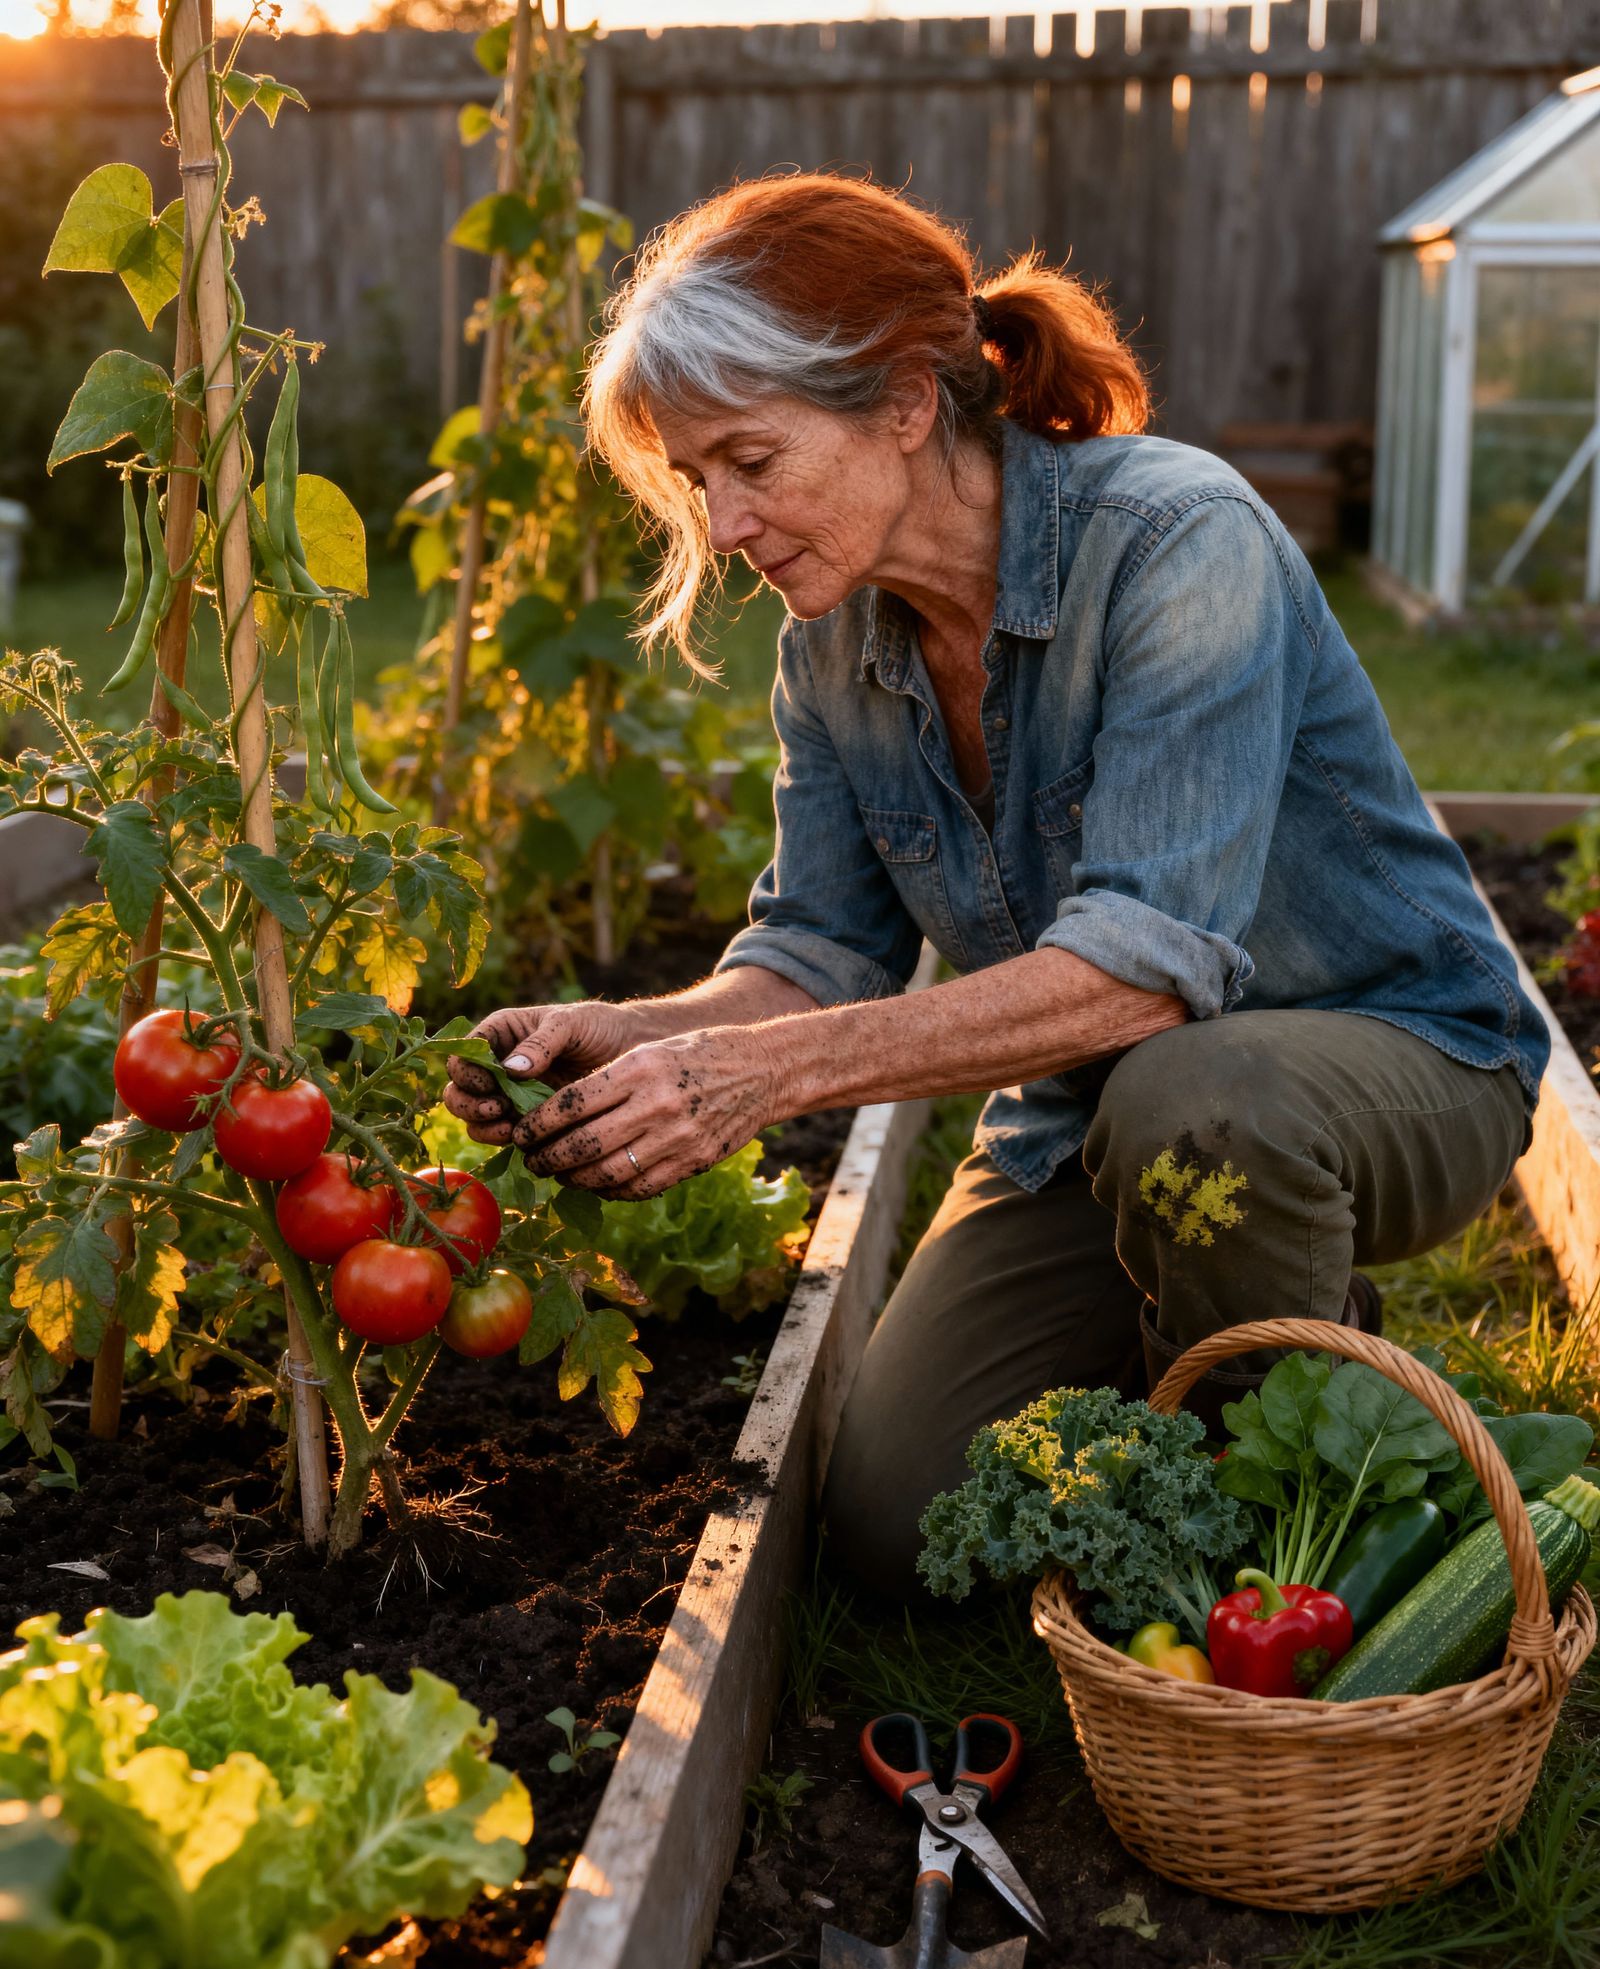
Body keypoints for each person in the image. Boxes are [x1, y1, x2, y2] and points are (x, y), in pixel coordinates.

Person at [443, 174, 1547, 1598]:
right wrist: (629, 1033)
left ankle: (1289, 1472)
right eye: (697, 480)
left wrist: (753, 1079)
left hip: (1398, 1056)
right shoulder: (829, 646)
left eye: (751, 462)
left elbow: (1145, 970)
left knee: (1201, 1109)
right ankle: (1246, 1294)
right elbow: (817, 950)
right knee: (897, 1517)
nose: (722, 527)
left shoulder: (1174, 543)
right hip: (1091, 1107)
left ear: (907, 402)